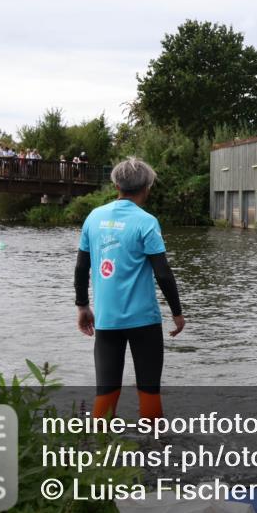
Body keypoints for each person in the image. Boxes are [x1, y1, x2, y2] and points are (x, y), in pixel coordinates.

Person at [74, 157, 186, 420]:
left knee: (106, 391)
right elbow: (163, 274)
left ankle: (98, 453)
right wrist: (177, 313)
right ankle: (154, 453)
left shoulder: (94, 217)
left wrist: (82, 306)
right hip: (143, 321)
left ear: (116, 185)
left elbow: (81, 268)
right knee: (149, 390)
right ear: (147, 187)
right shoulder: (146, 222)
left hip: (106, 319)